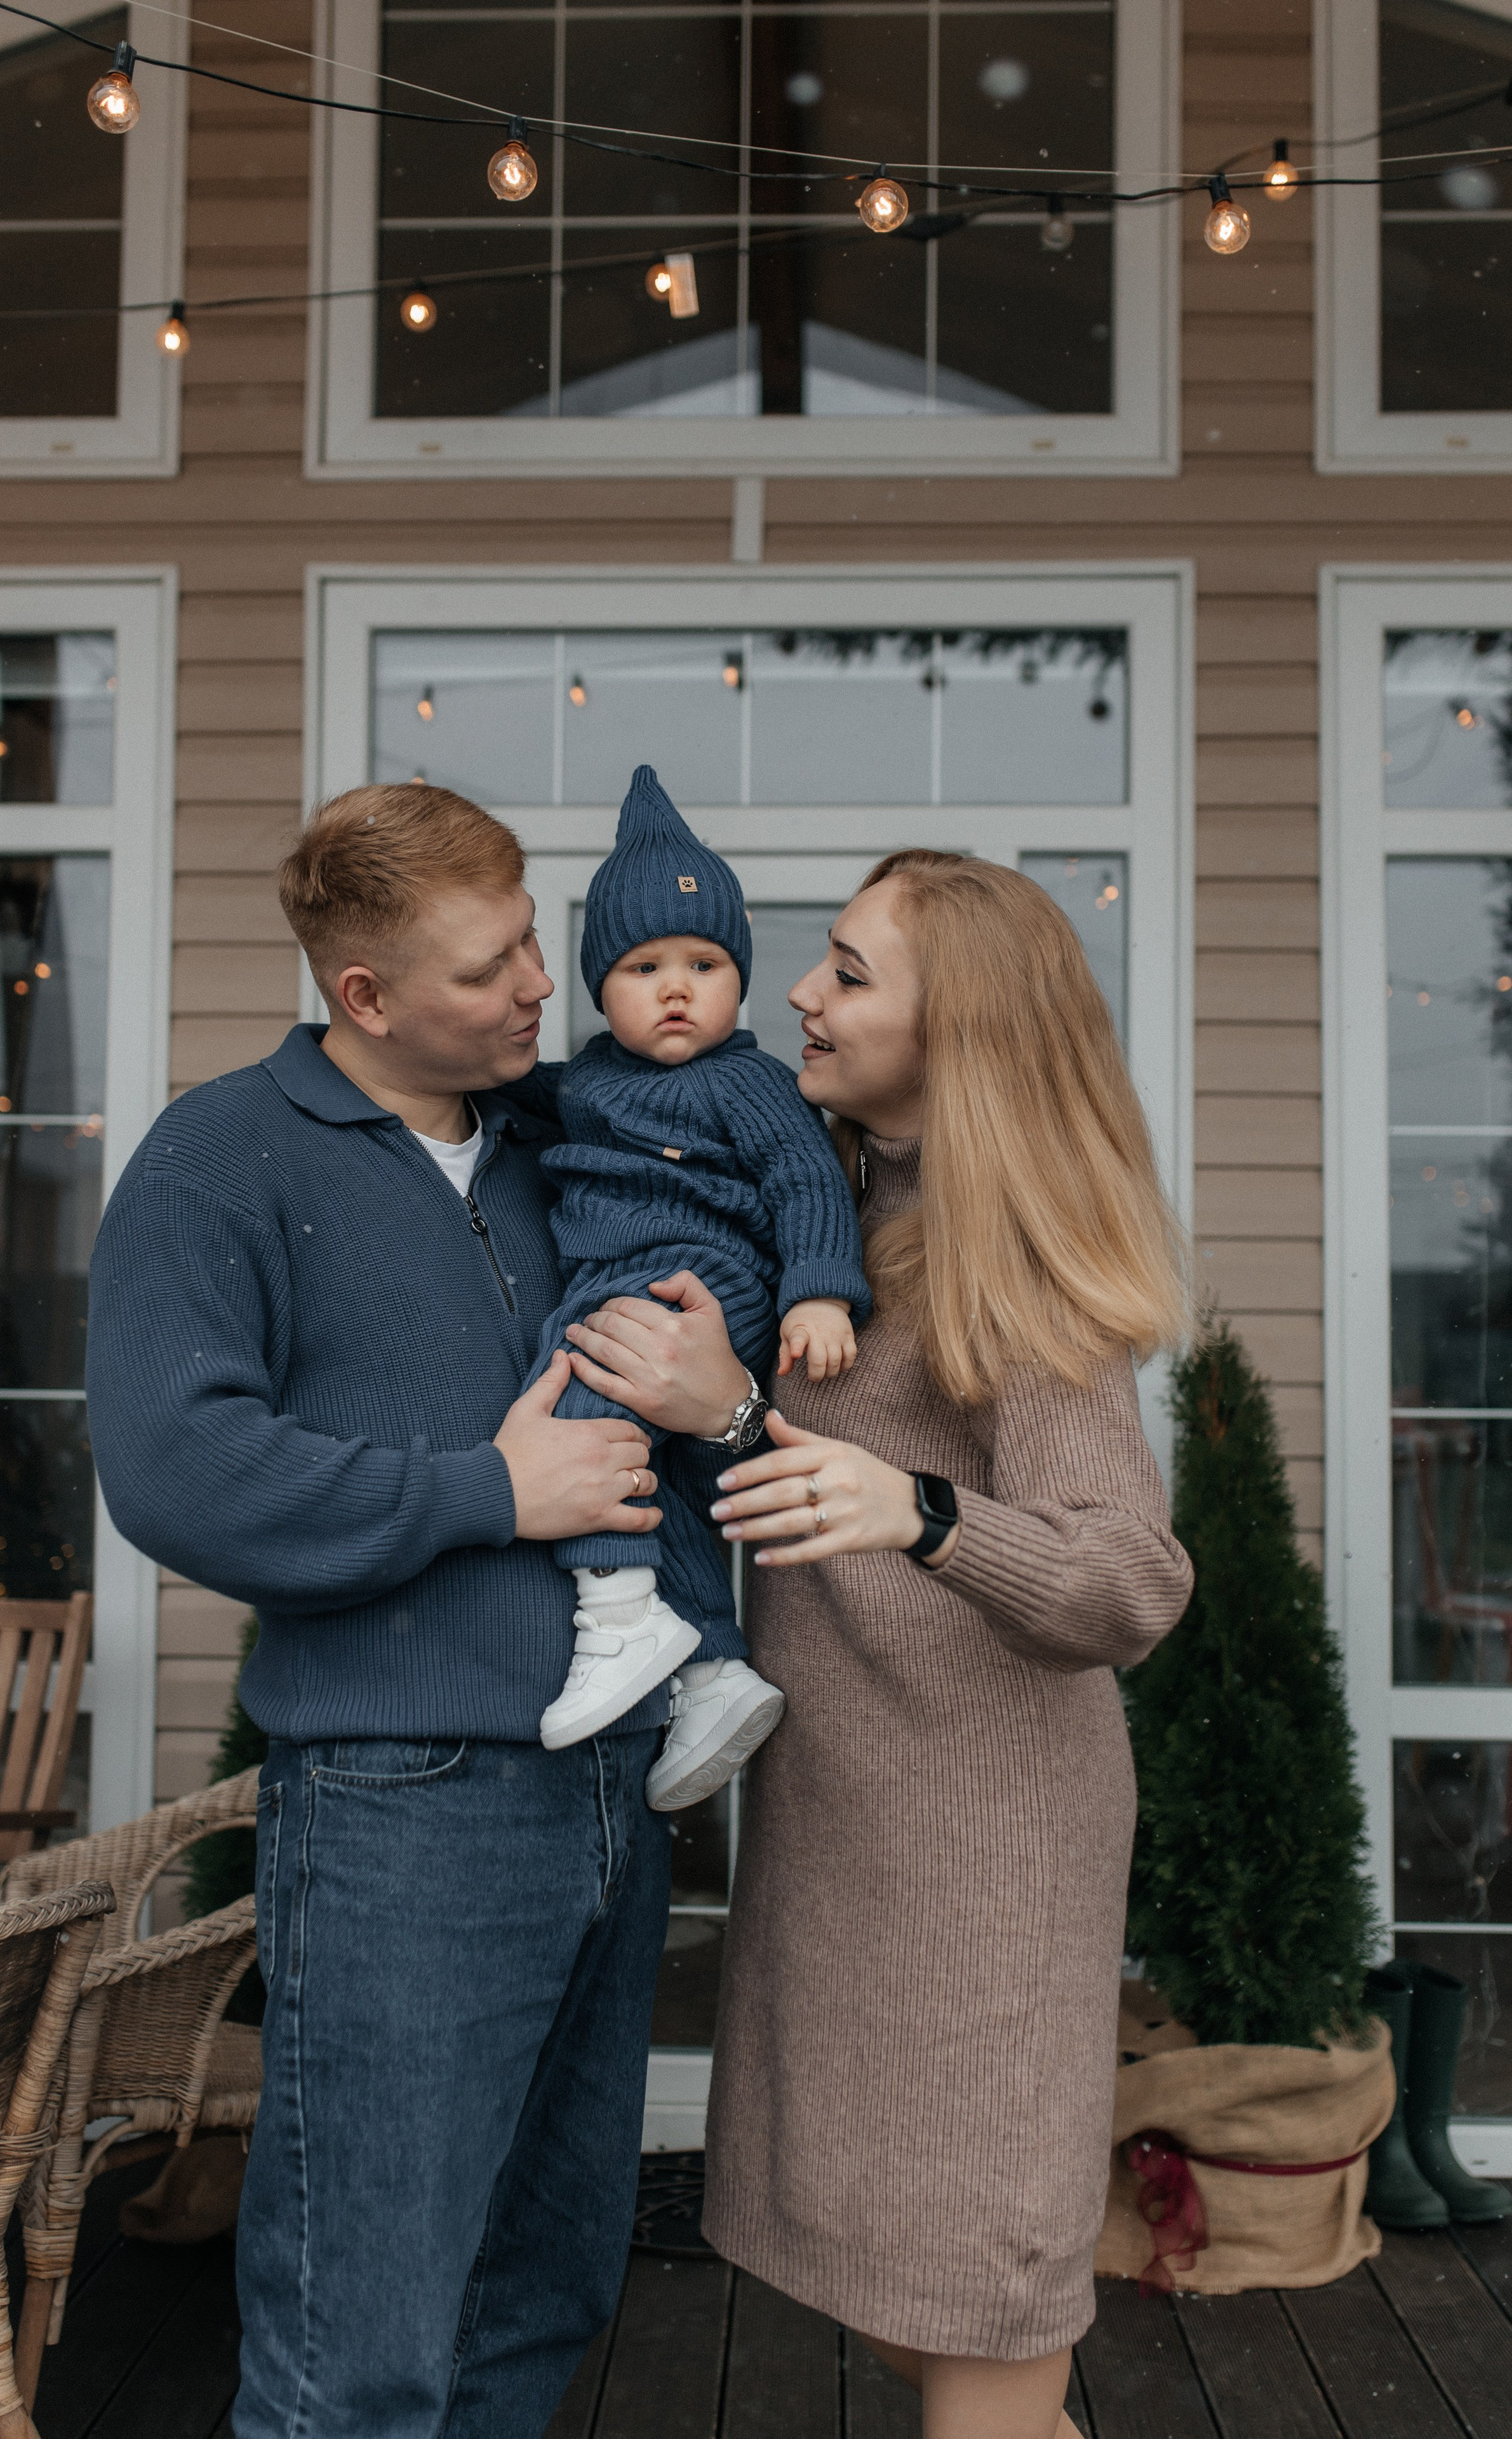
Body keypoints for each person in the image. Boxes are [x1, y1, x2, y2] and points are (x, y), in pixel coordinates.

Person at [84, 782, 762, 2439]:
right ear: (363, 995)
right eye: (489, 966)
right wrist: (488, 1493)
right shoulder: (219, 1159)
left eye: (532, 934)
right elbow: (178, 1469)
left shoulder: (574, 1136)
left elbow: (739, 1297)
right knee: (363, 2341)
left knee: (544, 2291)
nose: (542, 983)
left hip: (620, 1783)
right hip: (411, 1802)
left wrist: (730, 1397)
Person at [700, 851, 1194, 2439]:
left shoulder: (1018, 1259)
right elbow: (815, 1461)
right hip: (849, 1831)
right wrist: (709, 1408)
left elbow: (1125, 1585)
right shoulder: (832, 1199)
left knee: (978, 2301)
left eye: (847, 972)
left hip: (984, 1864)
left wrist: (919, 1514)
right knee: (906, 2306)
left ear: (956, 1030)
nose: (799, 993)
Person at [518, 765, 872, 1812]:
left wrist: (820, 1294)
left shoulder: (751, 1082)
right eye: (642, 967)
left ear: (741, 974)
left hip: (708, 1281)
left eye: (705, 962)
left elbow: (808, 1185)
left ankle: (622, 1618)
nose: (676, 988)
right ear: (599, 990)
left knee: (580, 1396)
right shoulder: (589, 1081)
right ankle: (713, 1669)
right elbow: (509, 1089)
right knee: (652, 1478)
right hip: (632, 1282)